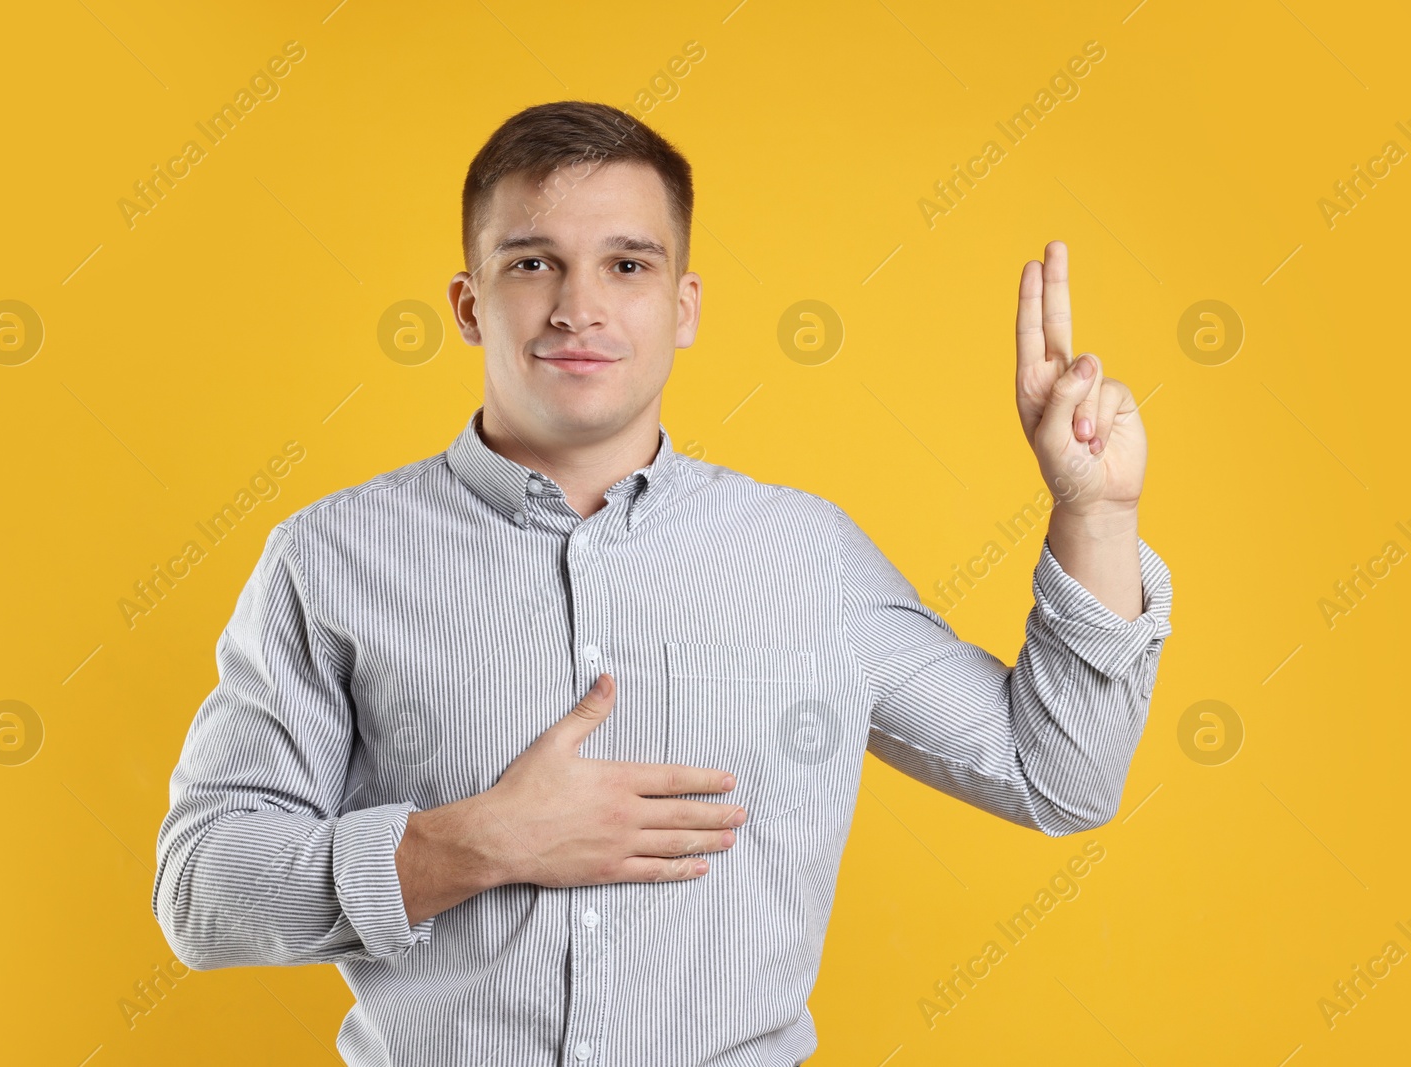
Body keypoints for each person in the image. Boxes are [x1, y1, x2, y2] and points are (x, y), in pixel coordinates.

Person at [151, 100, 1173, 1066]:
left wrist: (1097, 515)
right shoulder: (329, 558)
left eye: (626, 263)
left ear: (682, 306)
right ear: (469, 304)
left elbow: (1058, 778)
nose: (577, 306)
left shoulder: (803, 554)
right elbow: (200, 895)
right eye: (531, 261)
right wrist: (471, 842)